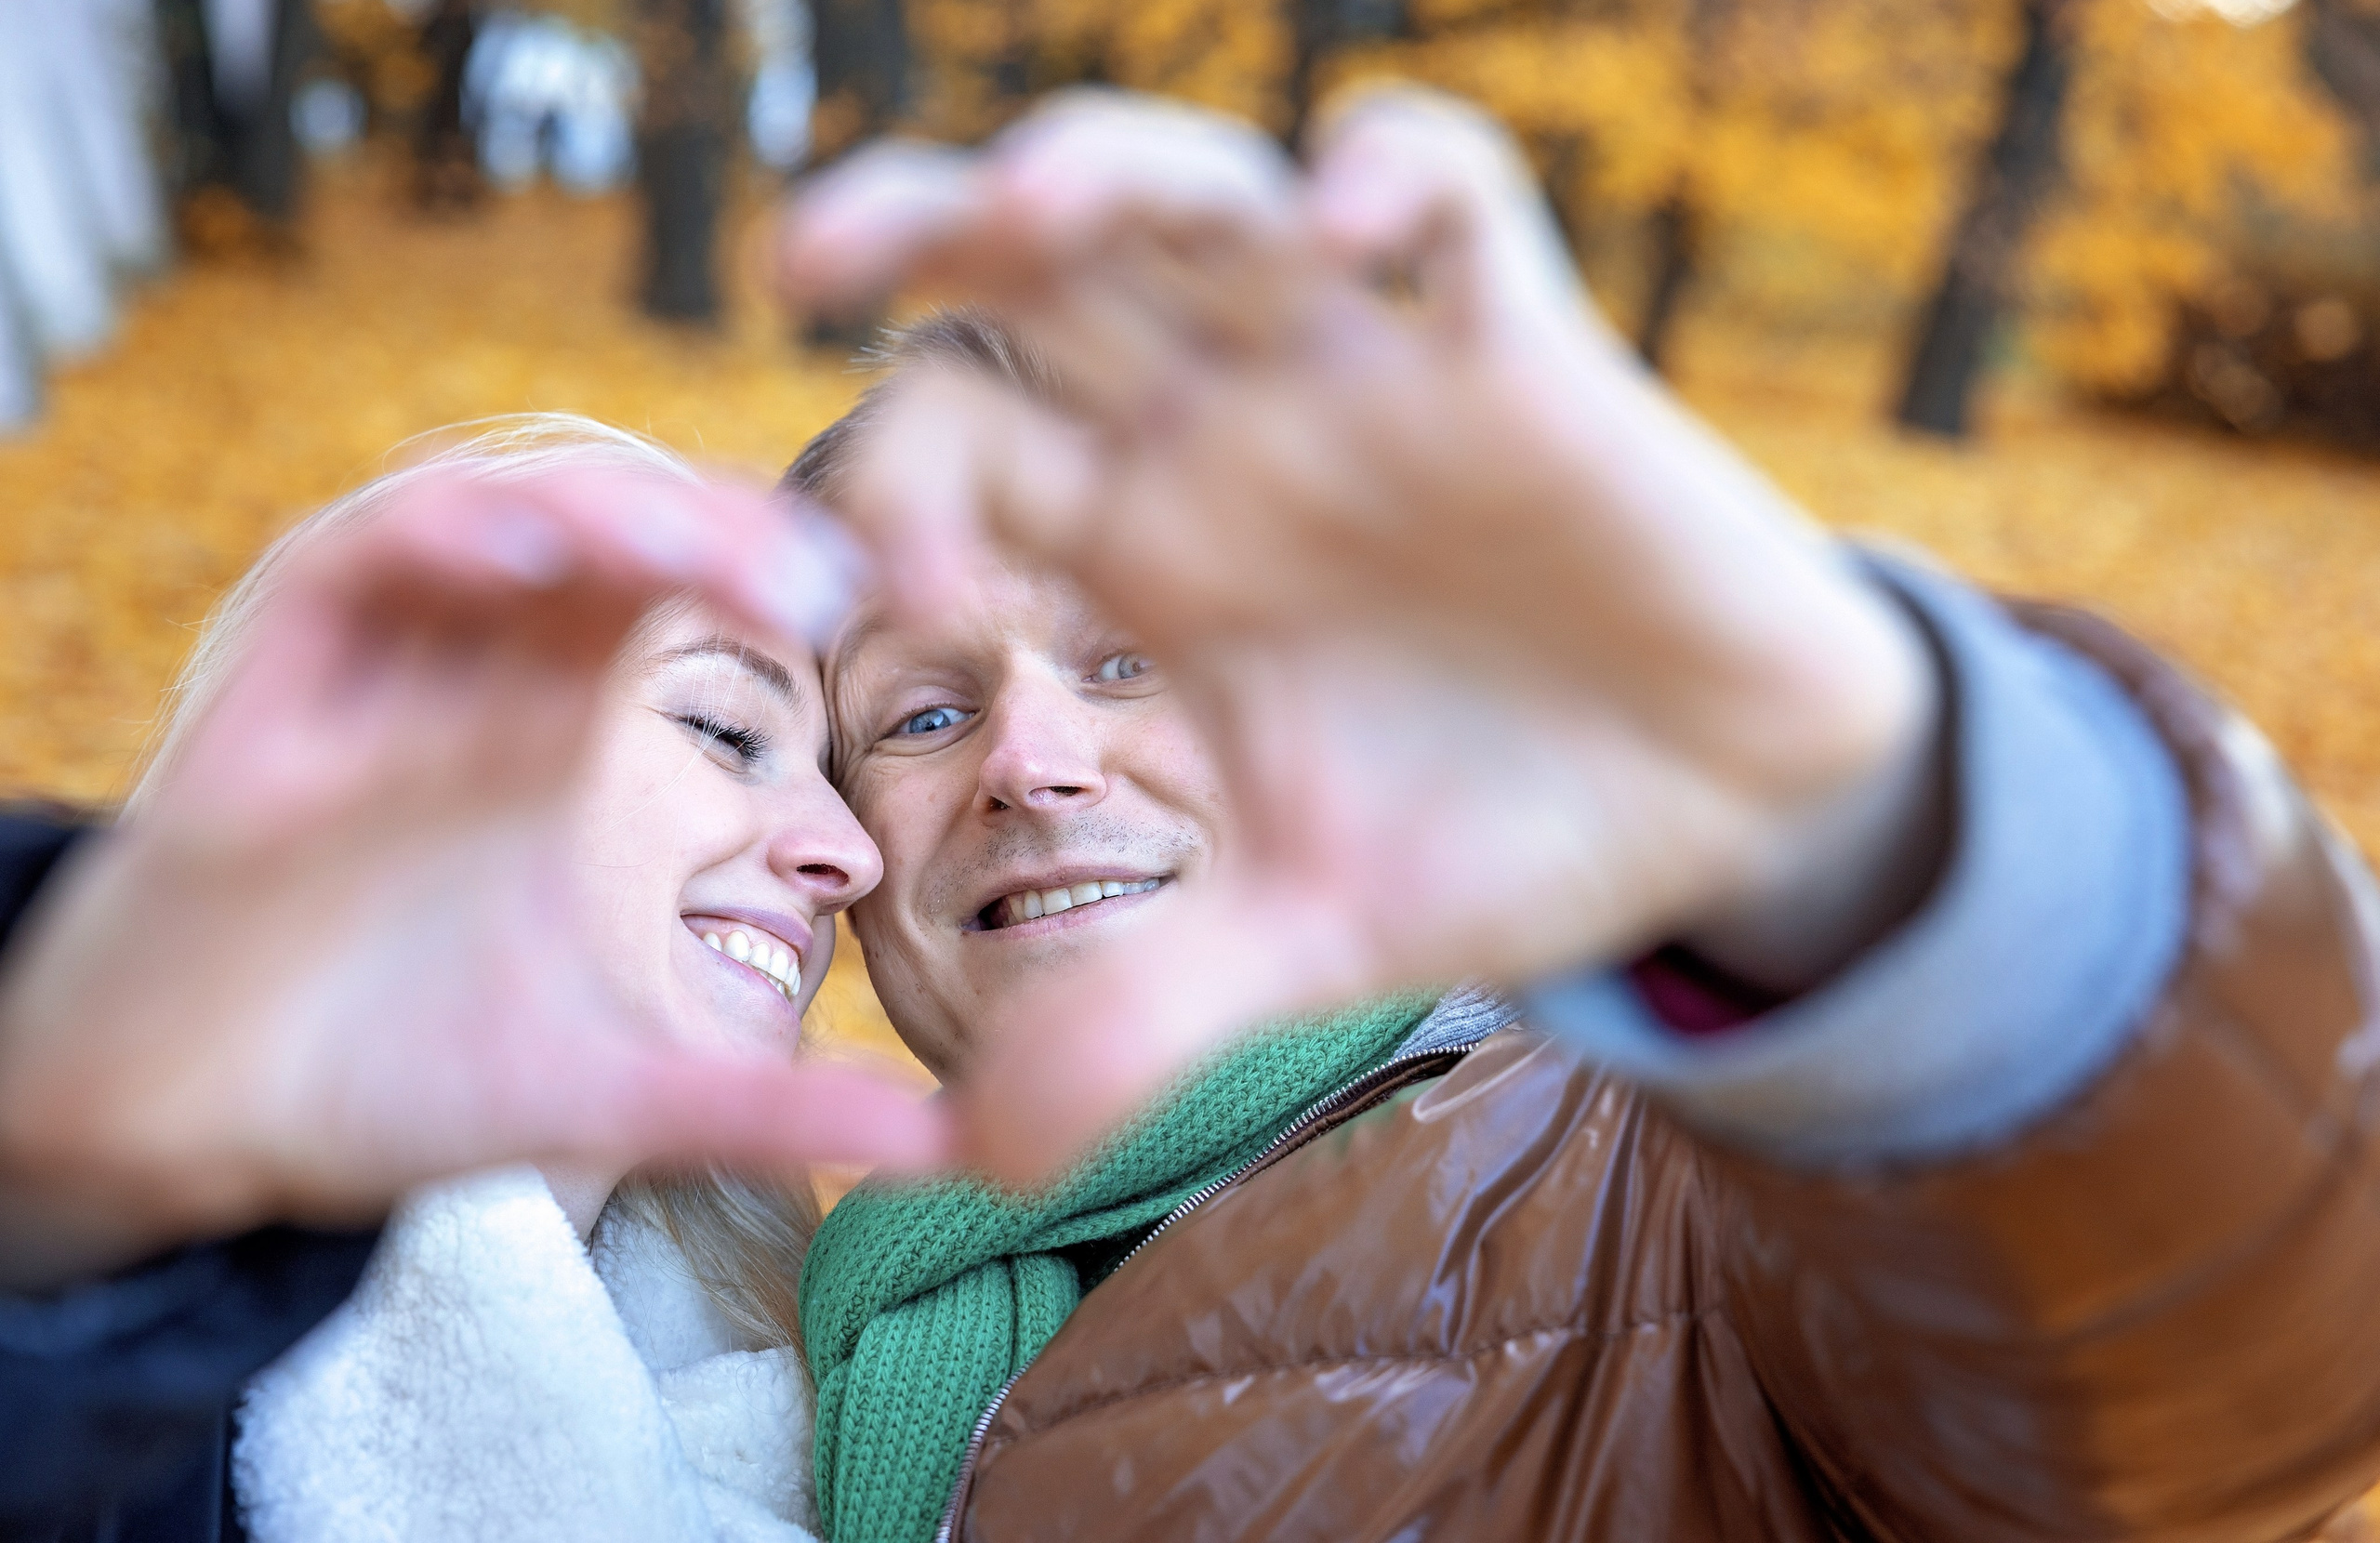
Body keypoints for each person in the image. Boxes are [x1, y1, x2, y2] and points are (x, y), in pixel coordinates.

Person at [769, 87, 2380, 1541]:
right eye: (923, 710)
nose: (1031, 757)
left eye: (1137, 657)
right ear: (845, 843)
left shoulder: (1670, 1174)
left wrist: (1859, 838)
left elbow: (2227, 1354)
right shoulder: (820, 1335)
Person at [0, 429, 942, 1539]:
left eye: (833, 776)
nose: (852, 854)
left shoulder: (847, 1408)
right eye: (727, 732)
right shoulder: (153, 1350)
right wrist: (57, 1214)